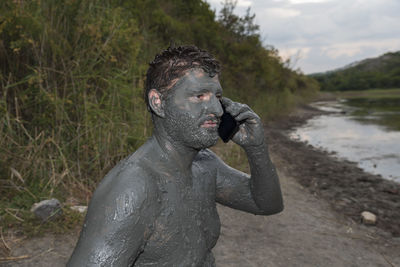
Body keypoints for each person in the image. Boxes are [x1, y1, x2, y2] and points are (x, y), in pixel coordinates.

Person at [68, 45, 283, 266]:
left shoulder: (206, 165)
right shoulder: (133, 187)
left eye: (217, 96)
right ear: (158, 103)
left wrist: (256, 148)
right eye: (199, 96)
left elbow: (266, 204)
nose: (218, 110)